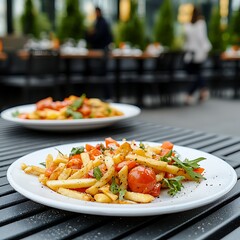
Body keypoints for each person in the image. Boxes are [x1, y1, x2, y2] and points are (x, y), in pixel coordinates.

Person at [183, 6, 212, 105]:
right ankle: (200, 92)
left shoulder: (188, 25)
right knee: (197, 75)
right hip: (199, 53)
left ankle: (198, 93)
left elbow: (186, 40)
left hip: (190, 54)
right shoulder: (201, 23)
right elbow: (202, 38)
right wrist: (206, 49)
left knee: (196, 74)